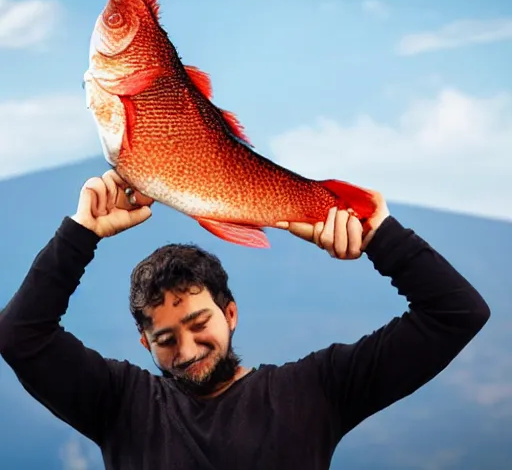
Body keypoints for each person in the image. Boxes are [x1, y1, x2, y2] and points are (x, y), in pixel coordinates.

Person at [0, 170, 490, 470]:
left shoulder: (317, 390)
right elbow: (20, 335)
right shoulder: (120, 405)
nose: (187, 351)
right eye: (166, 338)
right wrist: (82, 231)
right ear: (144, 343)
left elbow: (456, 313)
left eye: (198, 324)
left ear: (230, 313)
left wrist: (380, 237)